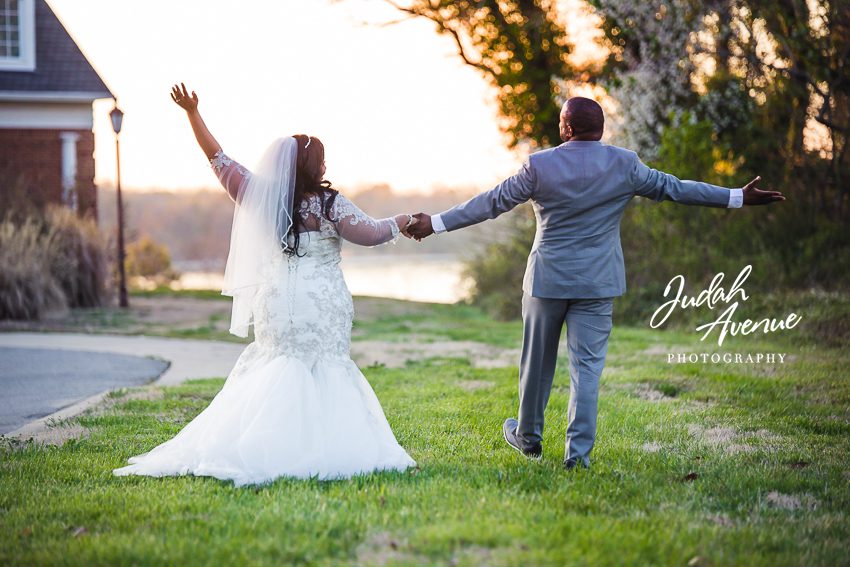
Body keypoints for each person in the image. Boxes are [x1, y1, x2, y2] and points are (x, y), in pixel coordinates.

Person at [406, 96, 784, 470]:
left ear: (567, 128)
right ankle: (578, 457)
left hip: (546, 281)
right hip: (598, 282)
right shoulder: (625, 164)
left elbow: (491, 202)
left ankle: (528, 439)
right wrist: (735, 196)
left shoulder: (539, 165)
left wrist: (435, 223)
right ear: (599, 128)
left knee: (536, 364)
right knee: (586, 371)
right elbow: (675, 188)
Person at [113, 84, 417, 486]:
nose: (325, 168)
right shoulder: (330, 205)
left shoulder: (260, 197)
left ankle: (259, 443)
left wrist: (193, 114)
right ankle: (321, 446)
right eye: (322, 162)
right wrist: (406, 220)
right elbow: (374, 233)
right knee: (322, 365)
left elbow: (217, 158)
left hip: (275, 302)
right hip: (318, 301)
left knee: (277, 363)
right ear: (314, 167)